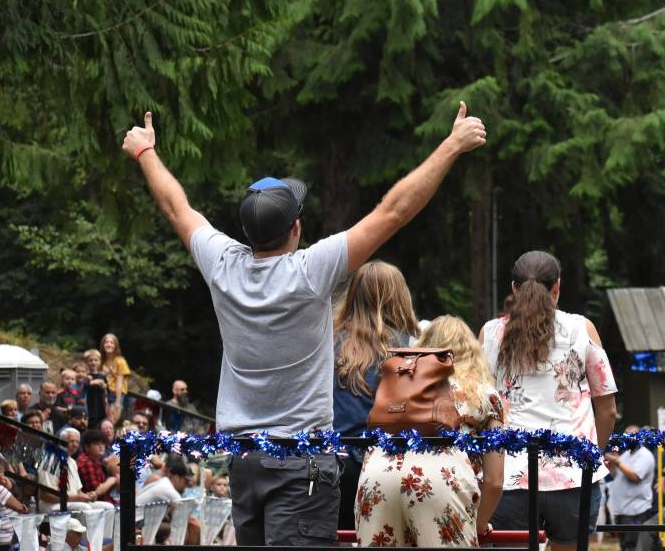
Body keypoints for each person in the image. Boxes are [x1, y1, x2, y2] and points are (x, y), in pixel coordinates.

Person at [121, 102, 486, 546]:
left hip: (246, 463)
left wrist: (145, 152)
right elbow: (394, 212)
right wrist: (451, 146)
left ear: (245, 230)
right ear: (295, 229)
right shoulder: (311, 272)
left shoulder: (221, 266)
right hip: (302, 466)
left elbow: (177, 207)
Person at [480, 250, 618, 551]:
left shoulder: (490, 334)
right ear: (558, 286)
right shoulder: (583, 330)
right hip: (573, 475)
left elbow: (481, 403)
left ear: (514, 288)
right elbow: (607, 409)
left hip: (508, 477)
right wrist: (594, 454)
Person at [355, 315, 505, 547]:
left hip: (378, 473)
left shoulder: (400, 389)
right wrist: (478, 524)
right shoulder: (484, 394)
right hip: (440, 481)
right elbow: (494, 481)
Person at [332, 260, 420, 530]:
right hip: (392, 469)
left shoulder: (328, 344)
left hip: (337, 467)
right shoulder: (412, 349)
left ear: (353, 296)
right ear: (401, 297)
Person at [605, 425, 655, 551]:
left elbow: (635, 476)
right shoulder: (626, 454)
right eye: (626, 436)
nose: (628, 438)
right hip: (622, 511)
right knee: (624, 546)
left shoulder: (645, 455)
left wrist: (617, 462)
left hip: (637, 511)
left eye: (632, 435)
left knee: (634, 546)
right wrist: (613, 464)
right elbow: (616, 475)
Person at [76, 429, 117, 503]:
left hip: (103, 502)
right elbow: (95, 492)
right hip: (92, 502)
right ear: (87, 447)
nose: (101, 446)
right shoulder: (86, 462)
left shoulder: (94, 460)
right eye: (97, 444)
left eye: (102, 443)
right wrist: (112, 480)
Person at [100, 333, 130, 420]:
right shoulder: (102, 361)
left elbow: (120, 383)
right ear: (103, 345)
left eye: (111, 342)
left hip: (115, 394)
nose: (109, 344)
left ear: (115, 346)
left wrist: (117, 402)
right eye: (106, 342)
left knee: (112, 420)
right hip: (104, 393)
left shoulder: (120, 361)